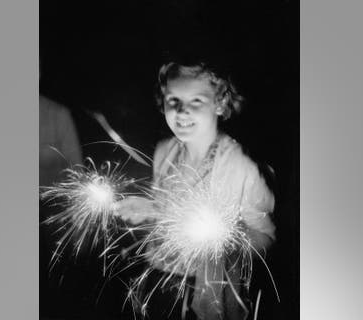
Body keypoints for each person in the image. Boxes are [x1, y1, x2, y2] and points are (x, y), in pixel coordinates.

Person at [115, 61, 275, 320]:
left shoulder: (239, 167)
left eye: (197, 101)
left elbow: (266, 237)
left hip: (205, 293)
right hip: (158, 280)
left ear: (220, 103)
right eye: (173, 100)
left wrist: (226, 234)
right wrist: (149, 210)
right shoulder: (164, 151)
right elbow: (167, 221)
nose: (181, 112)